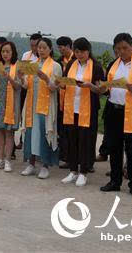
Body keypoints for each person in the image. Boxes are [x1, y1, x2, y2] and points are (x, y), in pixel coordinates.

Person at [99, 33, 132, 199]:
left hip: (131, 114)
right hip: (113, 111)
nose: (121, 52)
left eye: (125, 48)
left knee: (131, 151)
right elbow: (108, 88)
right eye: (118, 49)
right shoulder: (112, 64)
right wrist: (103, 89)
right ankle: (115, 182)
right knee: (114, 150)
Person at [58, 38, 104, 187]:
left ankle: (83, 172)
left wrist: (90, 86)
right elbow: (65, 83)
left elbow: (101, 90)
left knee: (85, 141)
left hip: (88, 109)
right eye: (77, 51)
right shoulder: (71, 64)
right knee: (72, 139)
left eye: (82, 51)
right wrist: (62, 83)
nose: (79, 54)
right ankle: (72, 171)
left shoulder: (96, 67)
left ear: (88, 51)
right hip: (71, 108)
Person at [20, 37, 60, 179]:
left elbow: (55, 88)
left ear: (50, 49)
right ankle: (31, 164)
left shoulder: (55, 66)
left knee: (44, 133)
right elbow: (25, 85)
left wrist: (46, 79)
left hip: (46, 106)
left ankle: (45, 165)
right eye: (39, 48)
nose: (41, 50)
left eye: (44, 48)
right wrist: (21, 77)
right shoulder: (32, 64)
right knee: (30, 133)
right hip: (31, 104)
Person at [0, 41, 22, 172]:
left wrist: (9, 78)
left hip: (11, 104)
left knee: (9, 133)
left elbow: (19, 87)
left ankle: (8, 160)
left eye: (8, 51)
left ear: (13, 52)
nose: (5, 54)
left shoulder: (17, 66)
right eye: (3, 51)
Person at [56, 36, 74, 166]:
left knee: (73, 132)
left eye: (62, 46)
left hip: (74, 100)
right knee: (62, 130)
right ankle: (64, 156)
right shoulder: (59, 61)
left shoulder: (76, 60)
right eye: (58, 47)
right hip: (61, 100)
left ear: (69, 46)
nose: (60, 49)